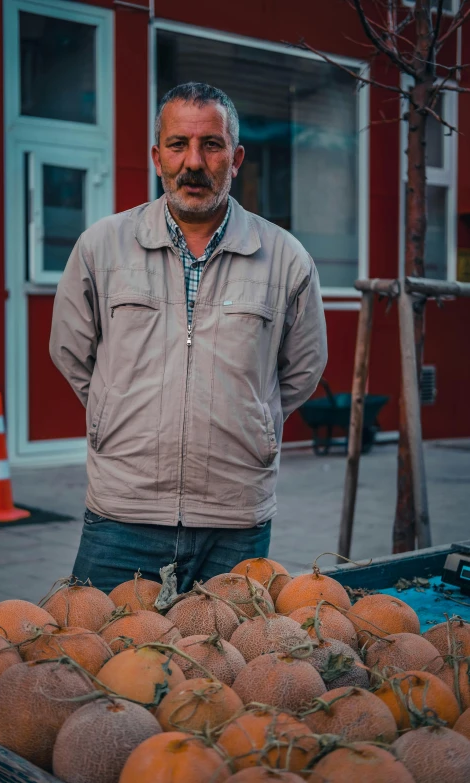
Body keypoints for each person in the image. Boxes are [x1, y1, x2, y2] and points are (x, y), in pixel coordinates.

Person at [50, 82, 327, 595]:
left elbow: (303, 370)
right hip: (123, 516)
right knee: (106, 666)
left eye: (212, 145)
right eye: (178, 144)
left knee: (223, 671)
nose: (193, 162)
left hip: (235, 520)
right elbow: (72, 353)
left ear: (236, 157)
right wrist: (120, 409)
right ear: (157, 156)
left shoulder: (286, 258)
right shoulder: (101, 247)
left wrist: (251, 418)